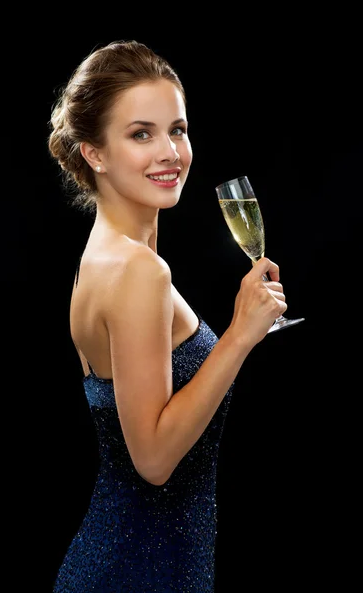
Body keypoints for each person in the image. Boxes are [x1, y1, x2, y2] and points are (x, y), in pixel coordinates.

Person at [48, 39, 287, 592]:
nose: (170, 152)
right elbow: (153, 460)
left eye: (176, 129)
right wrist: (238, 336)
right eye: (141, 134)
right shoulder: (137, 272)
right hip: (137, 572)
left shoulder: (104, 256)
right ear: (94, 153)